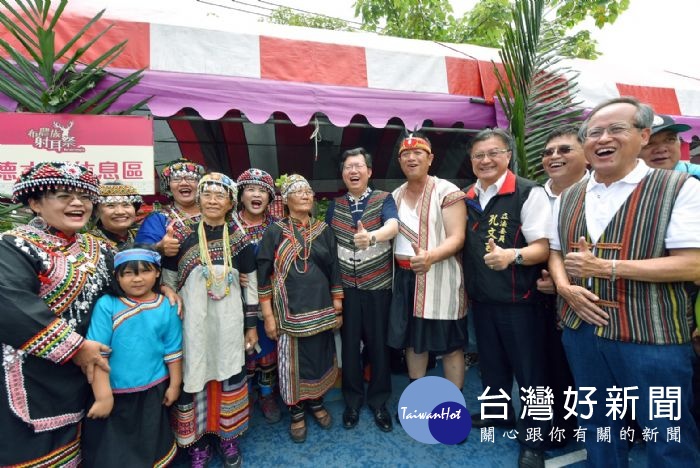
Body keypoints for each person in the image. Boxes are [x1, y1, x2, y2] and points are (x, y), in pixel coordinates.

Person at [548, 97, 700, 467]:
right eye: (594, 132)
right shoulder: (568, 196)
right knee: (598, 422)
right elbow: (555, 252)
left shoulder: (679, 188)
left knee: (667, 431)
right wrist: (565, 287)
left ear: (642, 136)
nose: (604, 138)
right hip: (581, 330)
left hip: (652, 335)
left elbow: (692, 265)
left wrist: (608, 268)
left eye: (617, 129)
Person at [0, 161, 112, 466]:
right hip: (36, 373)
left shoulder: (97, 247)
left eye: (84, 196)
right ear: (35, 203)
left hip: (88, 372)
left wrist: (163, 289)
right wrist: (75, 348)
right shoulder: (14, 246)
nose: (78, 203)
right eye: (63, 195)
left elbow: (123, 286)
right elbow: (10, 302)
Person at [462, 128, 551, 468]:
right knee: (492, 367)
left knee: (530, 375)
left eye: (493, 153)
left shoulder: (528, 192)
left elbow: (542, 247)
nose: (485, 160)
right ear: (471, 161)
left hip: (520, 300)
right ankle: (497, 415)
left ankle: (535, 440)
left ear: (508, 155)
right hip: (482, 299)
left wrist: (511, 256)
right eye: (478, 155)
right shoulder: (466, 195)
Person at [163, 173, 259, 468]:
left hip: (229, 323)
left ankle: (228, 438)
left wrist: (251, 326)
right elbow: (167, 282)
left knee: (229, 373)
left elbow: (251, 283)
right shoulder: (180, 235)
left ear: (231, 202)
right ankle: (199, 443)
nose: (213, 201)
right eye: (208, 195)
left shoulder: (239, 238)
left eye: (220, 196)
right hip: (193, 324)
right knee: (195, 377)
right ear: (199, 198)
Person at [257, 174, 343, 443]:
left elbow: (334, 269)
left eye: (309, 191)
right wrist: (269, 316)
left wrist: (338, 305)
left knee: (318, 357)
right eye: (299, 191)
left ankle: (316, 403)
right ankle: (296, 412)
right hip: (288, 312)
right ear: (286, 199)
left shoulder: (323, 230)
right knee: (293, 364)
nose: (306, 195)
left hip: (321, 309)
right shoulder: (275, 231)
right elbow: (263, 274)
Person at [81, 246, 182, 467]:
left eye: (145, 271)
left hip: (153, 387)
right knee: (114, 446)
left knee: (149, 439)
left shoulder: (166, 305)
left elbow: (173, 350)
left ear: (157, 273)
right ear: (117, 276)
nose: (137, 279)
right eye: (128, 273)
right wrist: (103, 396)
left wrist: (175, 385)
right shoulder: (107, 305)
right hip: (115, 389)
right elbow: (98, 353)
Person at [326, 148, 399, 432]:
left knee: (379, 345)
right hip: (347, 288)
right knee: (350, 347)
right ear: (343, 174)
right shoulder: (335, 205)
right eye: (348, 167)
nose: (353, 171)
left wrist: (372, 237)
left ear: (369, 171)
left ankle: (379, 402)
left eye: (358, 166)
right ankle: (352, 401)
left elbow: (393, 226)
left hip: (378, 286)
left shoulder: (384, 199)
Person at [388, 134, 467, 391]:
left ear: (430, 158)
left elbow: (457, 237)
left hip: (440, 276)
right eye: (405, 154)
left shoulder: (447, 190)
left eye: (418, 153)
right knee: (414, 341)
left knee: (450, 344)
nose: (411, 158)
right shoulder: (395, 195)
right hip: (404, 279)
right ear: (400, 161)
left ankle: (453, 408)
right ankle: (417, 401)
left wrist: (430, 256)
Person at [535, 126, 588, 447]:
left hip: (588, 296)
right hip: (542, 295)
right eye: (548, 152)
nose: (554, 157)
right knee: (552, 366)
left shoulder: (598, 193)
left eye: (565, 150)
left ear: (587, 154)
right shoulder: (537, 194)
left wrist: (561, 285)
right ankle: (562, 426)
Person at [236, 168, 282, 424]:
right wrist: (232, 272)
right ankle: (241, 396)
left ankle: (266, 395)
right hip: (233, 300)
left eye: (262, 191)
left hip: (268, 298)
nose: (256, 195)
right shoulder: (226, 224)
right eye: (251, 189)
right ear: (241, 195)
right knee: (240, 350)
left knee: (267, 349)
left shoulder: (276, 227)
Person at [136, 158, 206, 256]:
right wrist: (158, 247)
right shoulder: (158, 218)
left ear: (200, 185)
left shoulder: (216, 211)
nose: (184, 183)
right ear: (168, 187)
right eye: (176, 179)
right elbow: (138, 253)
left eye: (191, 178)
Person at [89, 181, 143, 251]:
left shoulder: (144, 237)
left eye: (126, 205)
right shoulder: (88, 242)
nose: (120, 212)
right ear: (96, 211)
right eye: (110, 205)